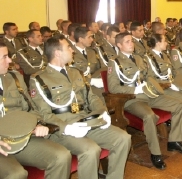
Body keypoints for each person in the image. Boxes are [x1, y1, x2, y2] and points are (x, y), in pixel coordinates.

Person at [29, 36, 131, 179]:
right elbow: (44, 114)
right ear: (57, 53)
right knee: (90, 150)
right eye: (68, 48)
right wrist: (66, 128)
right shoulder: (39, 79)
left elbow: (91, 97)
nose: (72, 50)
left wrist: (103, 112)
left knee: (123, 138)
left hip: (85, 121)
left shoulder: (75, 72)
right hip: (61, 128)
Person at [107, 32, 182, 169]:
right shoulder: (114, 63)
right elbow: (113, 88)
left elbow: (149, 76)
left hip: (149, 94)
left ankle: (174, 141)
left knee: (179, 105)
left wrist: (157, 85)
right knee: (149, 116)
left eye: (131, 41)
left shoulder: (138, 58)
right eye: (127, 41)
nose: (131, 43)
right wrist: (134, 90)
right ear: (119, 45)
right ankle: (156, 153)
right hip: (132, 99)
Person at [0, 41, 72, 179]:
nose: (9, 60)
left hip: (21, 137)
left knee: (61, 156)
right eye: (4, 57)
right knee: (16, 174)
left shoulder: (14, 78)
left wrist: (37, 123)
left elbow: (31, 108)